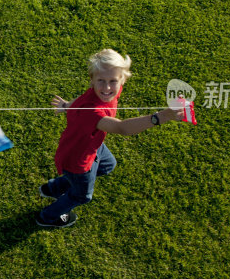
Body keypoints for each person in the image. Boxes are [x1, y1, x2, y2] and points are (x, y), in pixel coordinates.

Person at [36, 49, 185, 228]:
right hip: (78, 159)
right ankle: (47, 217)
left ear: (122, 80)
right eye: (101, 81)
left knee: (107, 165)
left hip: (92, 145)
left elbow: (81, 99)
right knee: (82, 195)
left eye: (113, 81)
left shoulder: (106, 91)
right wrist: (160, 117)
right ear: (92, 80)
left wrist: (68, 106)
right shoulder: (93, 112)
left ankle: (52, 189)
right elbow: (121, 127)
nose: (107, 88)